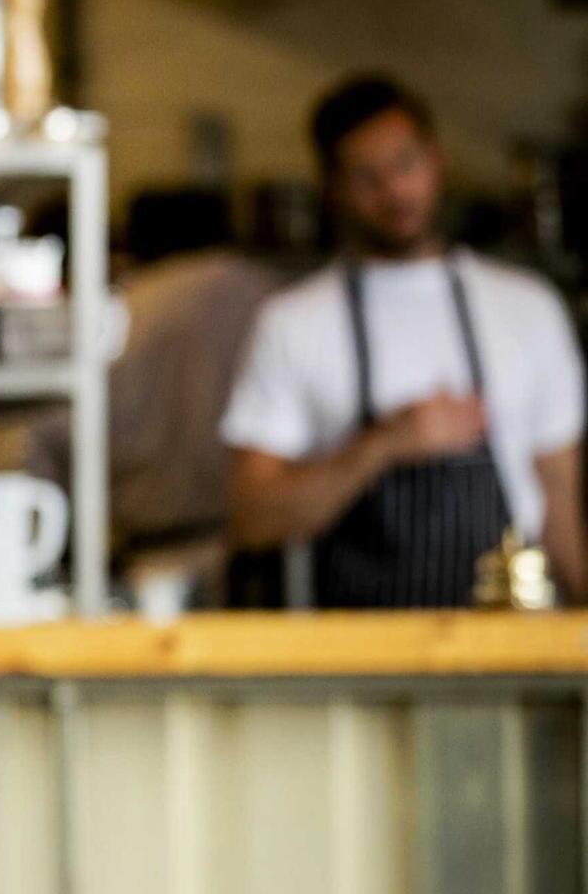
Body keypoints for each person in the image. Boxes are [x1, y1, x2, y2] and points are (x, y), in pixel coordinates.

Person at [222, 73, 586, 607]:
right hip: (360, 644)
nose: (394, 191)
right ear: (331, 188)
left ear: (436, 160)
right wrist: (384, 445)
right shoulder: (292, 323)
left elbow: (559, 499)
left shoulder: (528, 308)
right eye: (367, 177)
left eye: (405, 164)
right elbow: (253, 519)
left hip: (509, 632)